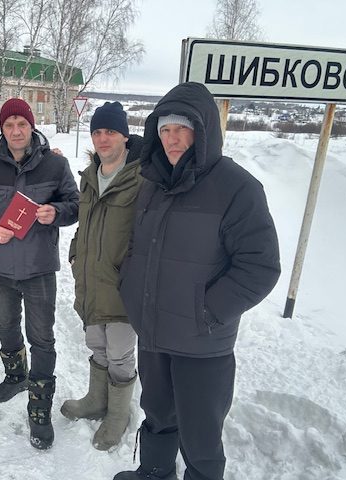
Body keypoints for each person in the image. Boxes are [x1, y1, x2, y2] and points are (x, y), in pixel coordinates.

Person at [115, 82, 280, 480]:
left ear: (203, 131)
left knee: (201, 436)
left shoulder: (237, 188)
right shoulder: (153, 184)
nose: (171, 139)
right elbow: (138, 246)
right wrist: (130, 286)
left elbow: (260, 266)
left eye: (181, 129)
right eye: (164, 130)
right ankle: (154, 472)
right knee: (157, 414)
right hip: (154, 333)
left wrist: (206, 311)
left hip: (202, 345)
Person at [0, 98, 79, 450]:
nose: (16, 131)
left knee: (41, 336)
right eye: (9, 124)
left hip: (39, 267)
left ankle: (39, 408)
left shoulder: (55, 165)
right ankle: (15, 375)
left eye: (22, 124)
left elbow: (75, 205)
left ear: (32, 127)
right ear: (2, 128)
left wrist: (55, 212)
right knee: (6, 325)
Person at [60, 102, 143, 451]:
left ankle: (118, 415)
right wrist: (76, 252)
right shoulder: (90, 176)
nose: (103, 138)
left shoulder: (141, 178)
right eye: (97, 132)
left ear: (124, 135)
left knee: (120, 353)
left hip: (122, 286)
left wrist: (133, 273)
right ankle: (97, 400)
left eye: (110, 131)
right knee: (96, 343)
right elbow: (86, 224)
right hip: (91, 280)